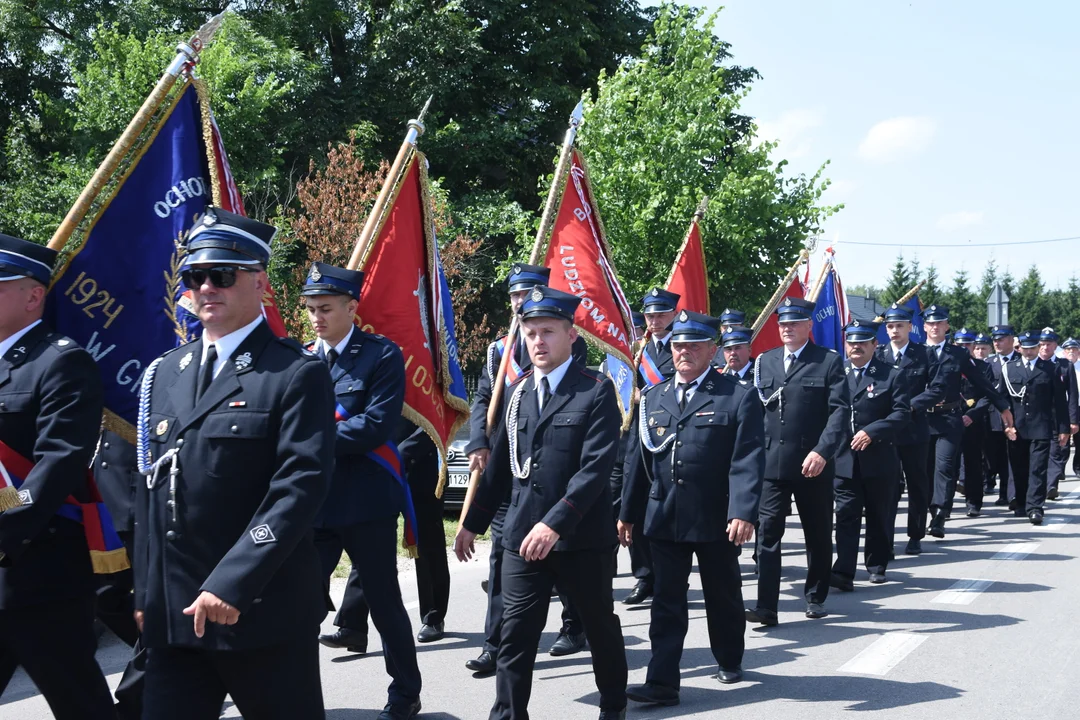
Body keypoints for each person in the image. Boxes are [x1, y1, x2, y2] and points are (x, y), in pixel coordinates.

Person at [133, 208, 335, 719]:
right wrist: (145, 591)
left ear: (260, 283)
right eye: (194, 277)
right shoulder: (165, 372)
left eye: (222, 275)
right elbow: (150, 490)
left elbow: (298, 489)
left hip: (260, 610)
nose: (206, 288)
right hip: (176, 619)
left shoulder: (294, 373)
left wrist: (231, 584)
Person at [454, 285, 628, 720]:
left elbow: (594, 472)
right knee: (515, 635)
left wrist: (554, 524)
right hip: (521, 537)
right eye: (530, 333)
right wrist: (471, 522)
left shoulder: (596, 391)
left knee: (598, 626)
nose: (537, 342)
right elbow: (498, 471)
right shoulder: (515, 393)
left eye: (547, 332)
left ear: (571, 335)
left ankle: (614, 705)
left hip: (579, 539)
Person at [619, 315, 764, 707]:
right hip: (664, 515)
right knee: (667, 600)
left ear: (712, 351)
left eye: (695, 346)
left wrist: (743, 511)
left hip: (716, 516)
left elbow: (747, 458)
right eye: (679, 346)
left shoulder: (737, 395)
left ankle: (729, 657)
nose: (684, 352)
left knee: (723, 594)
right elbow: (639, 461)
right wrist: (628, 513)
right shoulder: (653, 396)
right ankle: (662, 681)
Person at [0, 233, 116, 719]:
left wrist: (3, 526)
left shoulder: (61, 361)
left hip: (38, 568)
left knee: (78, 700)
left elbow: (57, 464)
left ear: (33, 296)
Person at [301, 261, 422, 719]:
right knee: (301, 604)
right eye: (311, 309)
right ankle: (295, 695)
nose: (316, 317)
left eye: (326, 308)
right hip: (314, 503)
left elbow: (376, 425)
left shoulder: (381, 355)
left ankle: (405, 693)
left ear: (351, 308)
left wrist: (310, 439)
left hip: (366, 500)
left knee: (384, 601)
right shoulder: (301, 358)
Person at [463, 263, 589, 674]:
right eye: (516, 296)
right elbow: (484, 398)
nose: (521, 302)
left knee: (566, 561)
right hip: (509, 469)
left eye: (529, 293)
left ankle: (575, 625)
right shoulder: (498, 350)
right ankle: (494, 644)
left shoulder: (564, 343)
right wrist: (481, 442)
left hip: (555, 474)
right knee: (502, 560)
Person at [746, 297, 850, 626]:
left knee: (817, 534)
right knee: (767, 536)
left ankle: (816, 595)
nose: (787, 329)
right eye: (783, 324)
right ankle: (766, 605)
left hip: (812, 464)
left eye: (794, 324)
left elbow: (839, 413)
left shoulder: (828, 362)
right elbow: (755, 412)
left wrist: (823, 451)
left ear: (808, 326)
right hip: (771, 464)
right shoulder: (766, 361)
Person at [326, 419, 452, 648]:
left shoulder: (433, 379)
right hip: (381, 461)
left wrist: (402, 453)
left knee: (427, 542)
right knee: (368, 539)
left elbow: (438, 418)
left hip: (421, 462)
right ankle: (352, 625)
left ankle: (433, 617)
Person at [831, 320, 910, 590]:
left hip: (879, 459)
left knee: (878, 515)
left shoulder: (891, 375)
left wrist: (873, 432)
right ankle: (843, 571)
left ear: (875, 345)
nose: (856, 347)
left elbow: (901, 413)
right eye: (852, 343)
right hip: (843, 460)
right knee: (845, 516)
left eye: (863, 343)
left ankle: (876, 565)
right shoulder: (836, 374)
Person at [920, 305, 1012, 539]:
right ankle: (926, 513)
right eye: (931, 323)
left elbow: (981, 382)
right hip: (921, 419)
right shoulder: (916, 353)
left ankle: (940, 513)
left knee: (945, 467)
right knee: (925, 469)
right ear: (924, 327)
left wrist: (1002, 405)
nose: (935, 327)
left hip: (949, 419)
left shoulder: (958, 354)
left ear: (946, 326)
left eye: (939, 323)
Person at [622, 287, 681, 605]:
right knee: (635, 505)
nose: (654, 320)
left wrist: (645, 396)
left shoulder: (682, 345)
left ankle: (671, 573)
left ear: (673, 314)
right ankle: (644, 576)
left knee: (668, 505)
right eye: (649, 315)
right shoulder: (636, 349)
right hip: (637, 435)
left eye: (660, 314)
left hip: (670, 435)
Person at [876, 304, 942, 555]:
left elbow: (936, 389)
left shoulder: (924, 354)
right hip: (887, 432)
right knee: (888, 488)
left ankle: (915, 535)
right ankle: (886, 539)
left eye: (899, 326)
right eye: (890, 326)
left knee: (917, 484)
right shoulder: (879, 354)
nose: (894, 331)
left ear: (909, 327)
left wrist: (906, 407)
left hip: (915, 429)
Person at [994, 331, 1069, 524]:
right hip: (1016, 427)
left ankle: (1035, 507)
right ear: (1021, 349)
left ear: (1038, 348)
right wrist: (1006, 426)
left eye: (1032, 348)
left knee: (1038, 468)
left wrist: (1063, 429)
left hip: (1041, 427)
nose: (1028, 352)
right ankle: (1020, 503)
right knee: (1019, 468)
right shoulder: (1010, 368)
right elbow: (1002, 400)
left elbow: (1060, 401)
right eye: (1025, 349)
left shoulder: (1050, 369)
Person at [952, 328, 994, 517]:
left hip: (973, 422)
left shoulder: (983, 367)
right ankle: (943, 505)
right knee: (947, 465)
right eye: (960, 344)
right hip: (950, 420)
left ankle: (974, 502)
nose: (964, 347)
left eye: (967, 344)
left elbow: (988, 395)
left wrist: (972, 415)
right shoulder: (947, 364)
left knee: (973, 464)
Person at [1038, 328, 1079, 500]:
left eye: (1048, 344)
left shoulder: (1065, 366)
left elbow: (1072, 396)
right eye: (1042, 344)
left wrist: (1073, 420)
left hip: (1058, 417)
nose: (1045, 348)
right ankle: (1038, 485)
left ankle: (1051, 486)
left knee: (1056, 451)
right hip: (1037, 417)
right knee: (1040, 452)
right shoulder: (1034, 363)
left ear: (1055, 346)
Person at [986, 326, 1019, 507]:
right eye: (995, 340)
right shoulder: (989, 363)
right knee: (994, 458)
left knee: (1011, 457)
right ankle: (997, 486)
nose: (997, 343)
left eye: (1001, 339)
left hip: (1014, 418)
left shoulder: (1021, 361)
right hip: (992, 417)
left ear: (1011, 340)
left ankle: (1009, 494)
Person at [1063, 337, 1080, 477]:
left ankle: (1078, 467)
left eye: (1074, 349)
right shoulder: (1059, 366)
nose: (1071, 352)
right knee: (1062, 439)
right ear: (1064, 352)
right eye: (1068, 349)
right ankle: (1059, 469)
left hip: (1079, 407)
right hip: (1063, 407)